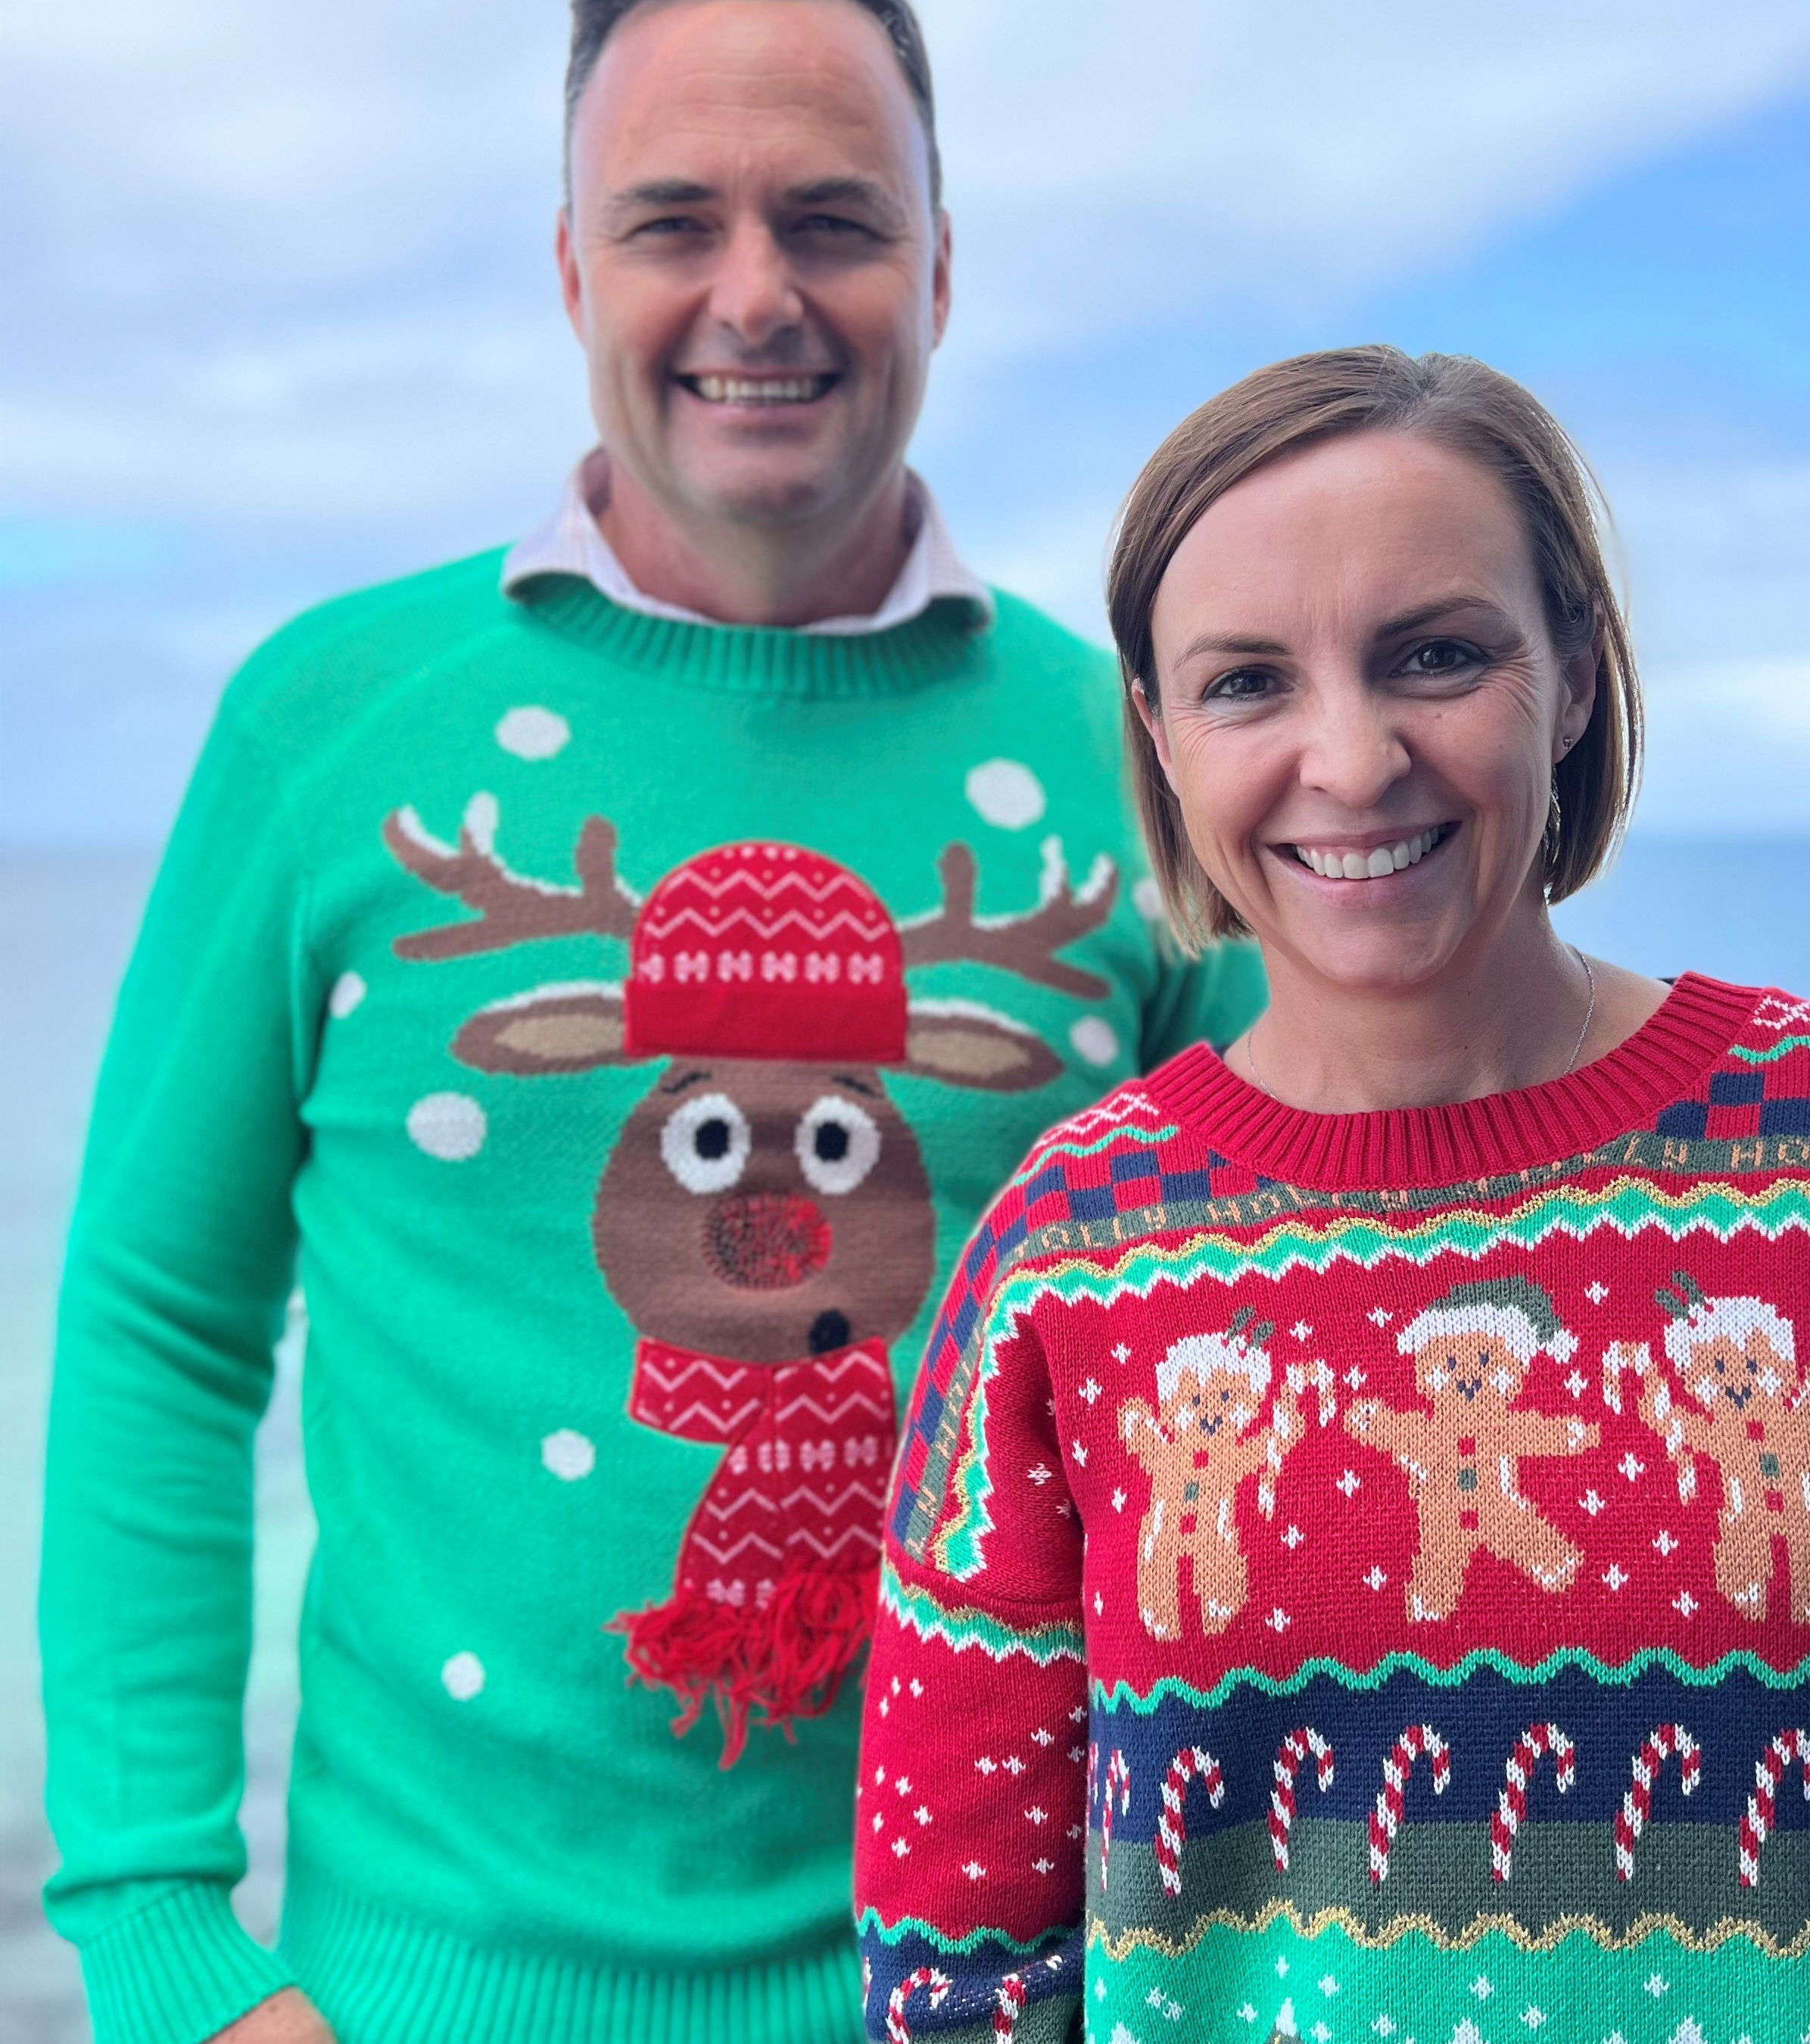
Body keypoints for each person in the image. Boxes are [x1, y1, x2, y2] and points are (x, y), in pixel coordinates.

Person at [36, 3, 1263, 2040]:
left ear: (942, 267)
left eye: (836, 220)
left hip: (996, 1995)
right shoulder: (330, 727)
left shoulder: (1124, 761)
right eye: (674, 219)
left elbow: (1279, 1337)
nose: (756, 294)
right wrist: (167, 1944)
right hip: (400, 1998)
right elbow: (158, 1320)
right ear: (571, 268)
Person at [853, 347, 1810, 2041]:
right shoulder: (1068, 1260)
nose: (1351, 761)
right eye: (1248, 683)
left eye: (1436, 655)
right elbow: (956, 1975)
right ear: (1161, 737)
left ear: (1570, 674)